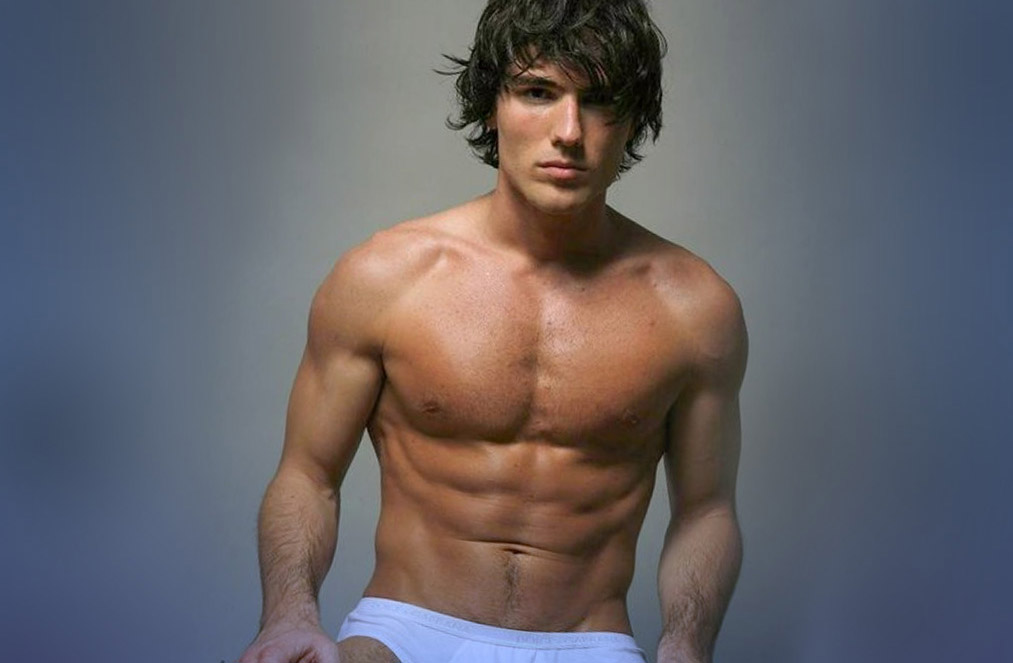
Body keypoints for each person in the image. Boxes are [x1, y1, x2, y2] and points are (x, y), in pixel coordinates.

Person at [240, 1, 747, 662]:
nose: (569, 131)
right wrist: (288, 615)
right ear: (491, 106)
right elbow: (307, 475)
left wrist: (686, 645)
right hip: (404, 630)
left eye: (600, 101)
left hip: (589, 642)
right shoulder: (385, 278)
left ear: (632, 121)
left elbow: (706, 510)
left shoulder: (694, 307)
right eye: (538, 93)